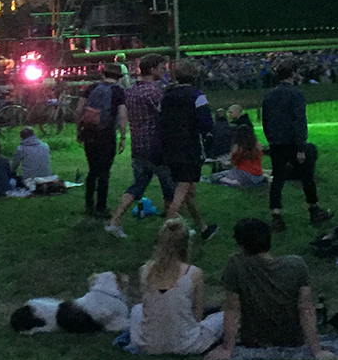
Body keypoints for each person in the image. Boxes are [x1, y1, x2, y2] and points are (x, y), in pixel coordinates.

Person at [204, 218, 337, 360]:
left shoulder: (236, 267)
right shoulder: (296, 265)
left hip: (254, 340)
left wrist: (227, 349)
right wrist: (317, 351)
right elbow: (305, 308)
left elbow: (233, 310)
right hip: (292, 339)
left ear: (241, 245)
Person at [127, 219, 224, 356]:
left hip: (148, 345)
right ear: (185, 244)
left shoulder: (145, 270)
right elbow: (197, 315)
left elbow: (146, 306)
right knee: (222, 317)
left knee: (137, 309)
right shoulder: (193, 273)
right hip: (186, 344)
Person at [106, 55, 174, 239]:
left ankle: (115, 220)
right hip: (155, 145)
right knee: (169, 188)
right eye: (161, 67)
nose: (164, 71)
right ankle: (171, 228)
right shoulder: (153, 92)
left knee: (137, 186)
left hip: (138, 144)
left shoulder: (131, 91)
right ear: (152, 69)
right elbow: (164, 116)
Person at [261, 62, 331, 232]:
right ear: (292, 74)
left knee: (277, 180)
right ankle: (314, 210)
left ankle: (276, 216)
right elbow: (299, 121)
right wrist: (300, 147)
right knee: (307, 176)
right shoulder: (296, 95)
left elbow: (265, 121)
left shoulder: (269, 96)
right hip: (292, 141)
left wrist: (271, 140)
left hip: (276, 142)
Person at [156, 60, 216, 239]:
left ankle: (203, 227)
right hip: (190, 148)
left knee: (187, 189)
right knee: (182, 189)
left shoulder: (166, 96)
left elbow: (159, 118)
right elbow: (206, 124)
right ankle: (165, 231)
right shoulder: (197, 96)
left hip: (169, 146)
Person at [79, 63, 127, 217]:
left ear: (103, 74)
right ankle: (101, 207)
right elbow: (122, 115)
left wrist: (78, 130)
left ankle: (88, 205)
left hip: (89, 133)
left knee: (92, 170)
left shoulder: (91, 88)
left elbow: (79, 109)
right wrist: (123, 136)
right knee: (104, 171)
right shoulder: (119, 92)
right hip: (106, 134)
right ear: (118, 77)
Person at [210, 123, 265, 188]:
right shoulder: (258, 147)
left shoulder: (239, 148)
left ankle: (231, 182)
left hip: (243, 174)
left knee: (215, 176)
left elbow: (234, 162)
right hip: (258, 176)